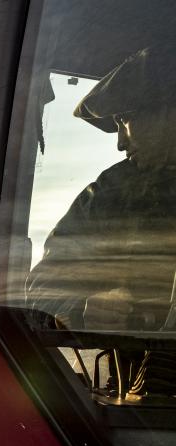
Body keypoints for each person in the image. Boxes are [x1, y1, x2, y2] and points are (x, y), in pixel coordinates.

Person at [27, 44, 176, 332]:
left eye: (124, 120)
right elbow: (44, 287)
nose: (120, 143)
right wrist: (83, 308)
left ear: (168, 111)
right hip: (149, 371)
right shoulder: (112, 192)